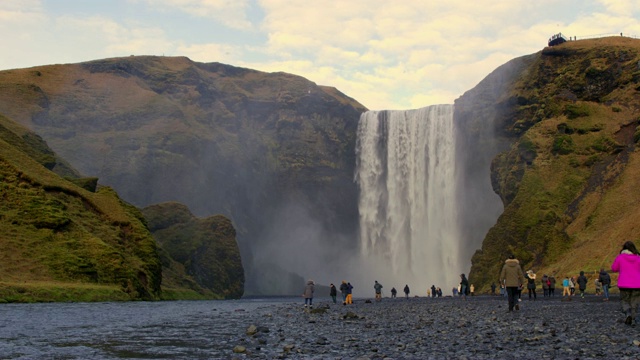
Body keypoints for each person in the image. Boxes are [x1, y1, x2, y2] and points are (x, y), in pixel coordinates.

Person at [611, 241, 640, 325]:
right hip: (637, 284)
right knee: (634, 302)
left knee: (624, 300)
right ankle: (633, 318)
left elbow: (614, 268)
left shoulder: (620, 257)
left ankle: (628, 313)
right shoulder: (638, 258)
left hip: (624, 283)